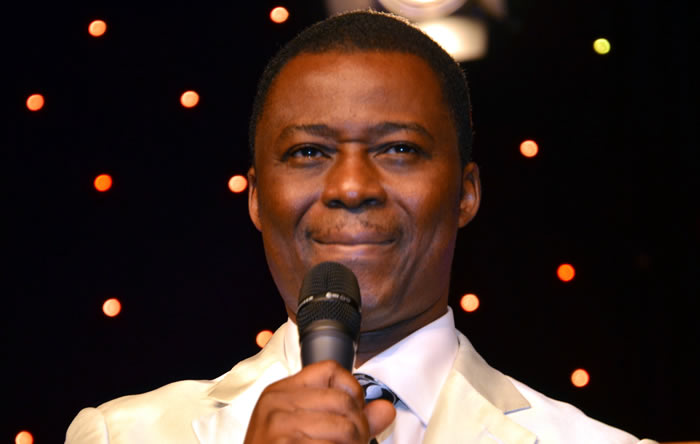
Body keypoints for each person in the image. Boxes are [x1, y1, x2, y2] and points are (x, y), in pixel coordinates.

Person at [66, 10, 658, 444]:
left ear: (465, 194)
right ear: (257, 198)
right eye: (308, 152)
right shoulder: (122, 434)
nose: (351, 187)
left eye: (399, 149)